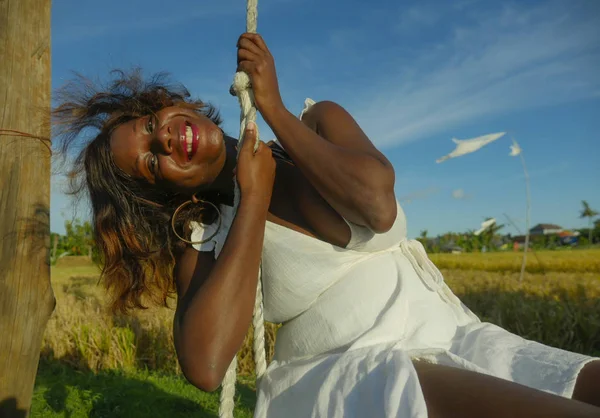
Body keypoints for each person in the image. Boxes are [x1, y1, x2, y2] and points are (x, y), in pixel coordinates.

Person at [53, 33, 600, 418]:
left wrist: (275, 110)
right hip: (363, 371)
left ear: (171, 106)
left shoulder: (317, 123)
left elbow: (377, 204)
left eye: (151, 124)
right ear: (161, 191)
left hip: (452, 333)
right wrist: (253, 199)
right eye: (151, 159)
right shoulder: (204, 234)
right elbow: (205, 364)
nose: (165, 139)